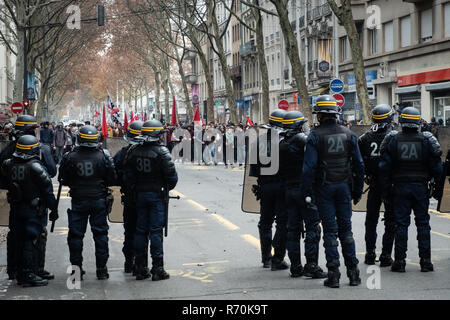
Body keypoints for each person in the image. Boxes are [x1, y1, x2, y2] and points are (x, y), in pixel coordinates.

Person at [301, 95, 365, 288]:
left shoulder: (314, 136)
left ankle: (334, 275)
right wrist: (358, 191)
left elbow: (308, 169)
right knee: (346, 230)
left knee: (330, 231)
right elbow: (359, 165)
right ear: (336, 114)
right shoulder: (349, 134)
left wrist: (306, 193)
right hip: (344, 187)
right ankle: (354, 275)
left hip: (324, 189)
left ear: (319, 115)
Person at [379, 106, 443, 272]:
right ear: (418, 121)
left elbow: (384, 168)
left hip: (399, 188)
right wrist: (436, 187)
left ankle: (400, 261)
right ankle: (426, 261)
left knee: (401, 224)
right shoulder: (426, 141)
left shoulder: (394, 140)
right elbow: (437, 167)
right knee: (423, 224)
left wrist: (385, 191)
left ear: (401, 121)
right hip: (421, 187)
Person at [0, 115, 56, 282]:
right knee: (36, 234)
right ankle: (34, 269)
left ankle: (13, 269)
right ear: (31, 130)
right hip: (35, 201)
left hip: (15, 201)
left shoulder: (8, 151)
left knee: (15, 235)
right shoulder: (40, 149)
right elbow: (52, 172)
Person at [58, 125, 117, 280]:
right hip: (98, 200)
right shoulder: (104, 156)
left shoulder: (70, 156)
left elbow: (62, 179)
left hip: (78, 200)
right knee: (101, 235)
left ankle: (76, 272)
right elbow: (112, 178)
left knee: (76, 236)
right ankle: (102, 270)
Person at [124, 120, 178, 280]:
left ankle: (140, 268)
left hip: (139, 196)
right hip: (156, 196)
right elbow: (172, 178)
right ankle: (157, 268)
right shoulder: (162, 152)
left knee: (140, 231)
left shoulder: (133, 151)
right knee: (155, 232)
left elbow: (128, 177)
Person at [279, 111, 327, 279]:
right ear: (297, 126)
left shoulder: (282, 142)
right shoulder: (301, 140)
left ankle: (296, 267)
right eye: (303, 124)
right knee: (313, 227)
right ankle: (311, 266)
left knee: (293, 229)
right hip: (304, 189)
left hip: (289, 189)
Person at [250, 109, 289, 270]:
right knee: (282, 223)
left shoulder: (257, 142)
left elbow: (253, 170)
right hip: (282, 186)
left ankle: (266, 257)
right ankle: (278, 258)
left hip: (265, 186)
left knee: (265, 222)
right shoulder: (286, 141)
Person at [358, 104, 396, 266]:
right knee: (391, 220)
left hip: (373, 184)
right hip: (390, 184)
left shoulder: (365, 138)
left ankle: (369, 254)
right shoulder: (394, 137)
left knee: (371, 220)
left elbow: (359, 162)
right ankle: (386, 255)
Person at [113, 120, 144, 274]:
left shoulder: (122, 154)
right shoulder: (152, 153)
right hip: (144, 198)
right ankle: (140, 265)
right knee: (143, 232)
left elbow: (113, 175)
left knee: (129, 231)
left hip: (129, 198)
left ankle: (128, 263)